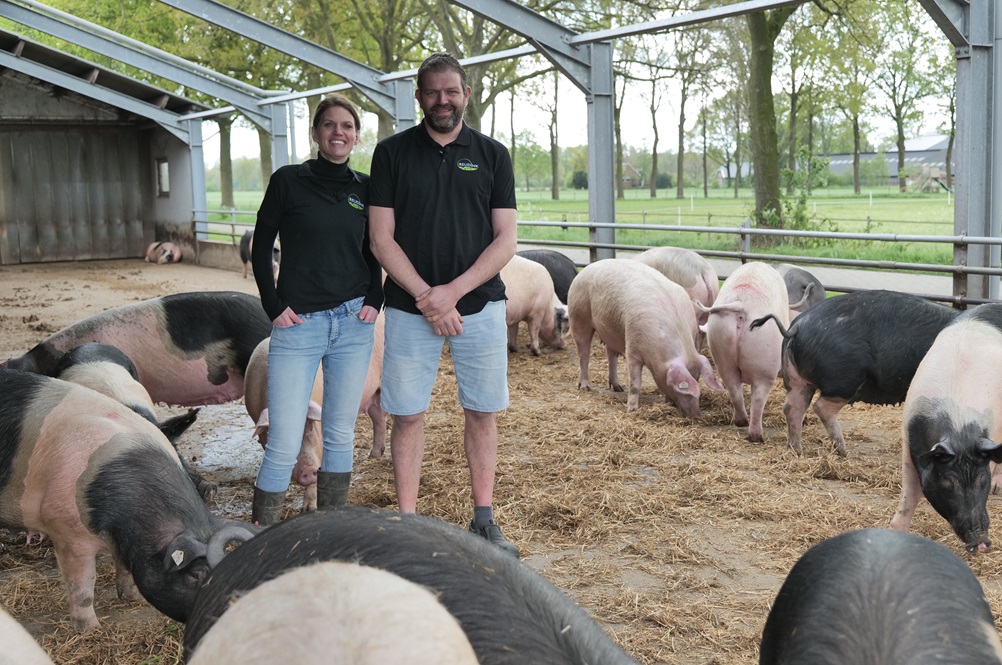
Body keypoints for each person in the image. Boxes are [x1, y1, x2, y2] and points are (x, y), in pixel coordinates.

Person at [368, 53, 519, 557]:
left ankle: (484, 517)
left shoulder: (493, 155)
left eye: (451, 92)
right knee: (407, 414)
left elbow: (505, 242)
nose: (442, 101)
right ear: (418, 97)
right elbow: (381, 240)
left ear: (466, 94)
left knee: (481, 411)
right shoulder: (391, 154)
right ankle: (408, 523)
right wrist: (426, 299)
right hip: (412, 311)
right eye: (432, 92)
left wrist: (450, 294)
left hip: (479, 307)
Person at [250, 93, 383, 525]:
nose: (338, 132)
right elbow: (260, 245)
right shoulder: (288, 181)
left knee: (340, 435)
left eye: (346, 126)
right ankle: (261, 538)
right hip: (299, 324)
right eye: (329, 125)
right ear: (315, 133)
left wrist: (374, 298)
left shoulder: (366, 188)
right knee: (285, 441)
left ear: (356, 136)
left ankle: (331, 529)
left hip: (352, 323)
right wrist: (273, 304)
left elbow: (374, 249)